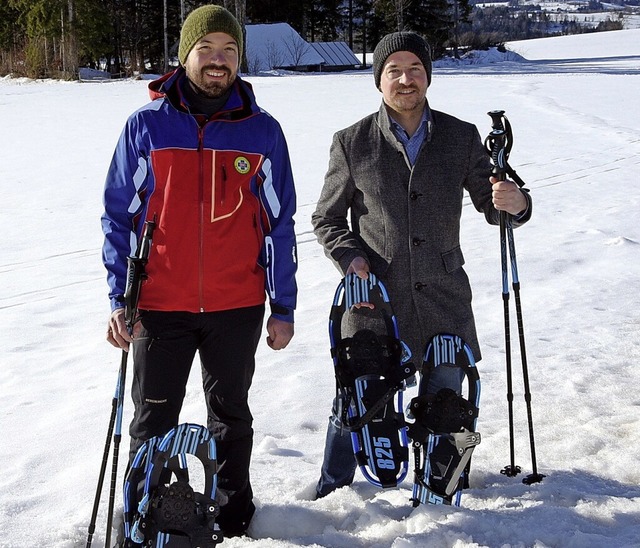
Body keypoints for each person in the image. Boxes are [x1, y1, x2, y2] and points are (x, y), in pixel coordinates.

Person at [101, 5, 297, 537]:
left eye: (229, 51)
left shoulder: (262, 132)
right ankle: (142, 515)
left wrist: (283, 307)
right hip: (160, 303)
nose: (218, 61)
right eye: (206, 50)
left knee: (231, 413)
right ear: (185, 55)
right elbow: (119, 215)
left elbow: (279, 225)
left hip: (237, 304)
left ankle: (232, 518)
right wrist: (121, 299)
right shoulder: (146, 126)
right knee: (152, 419)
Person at [311, 31, 532, 498]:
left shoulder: (460, 136)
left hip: (444, 295)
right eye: (394, 70)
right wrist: (351, 258)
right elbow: (327, 218)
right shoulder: (352, 143)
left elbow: (493, 206)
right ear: (379, 80)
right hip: (374, 300)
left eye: (415, 69)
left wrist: (515, 202)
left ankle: (446, 486)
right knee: (358, 399)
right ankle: (333, 491)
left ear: (428, 76)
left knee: (447, 403)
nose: (405, 79)